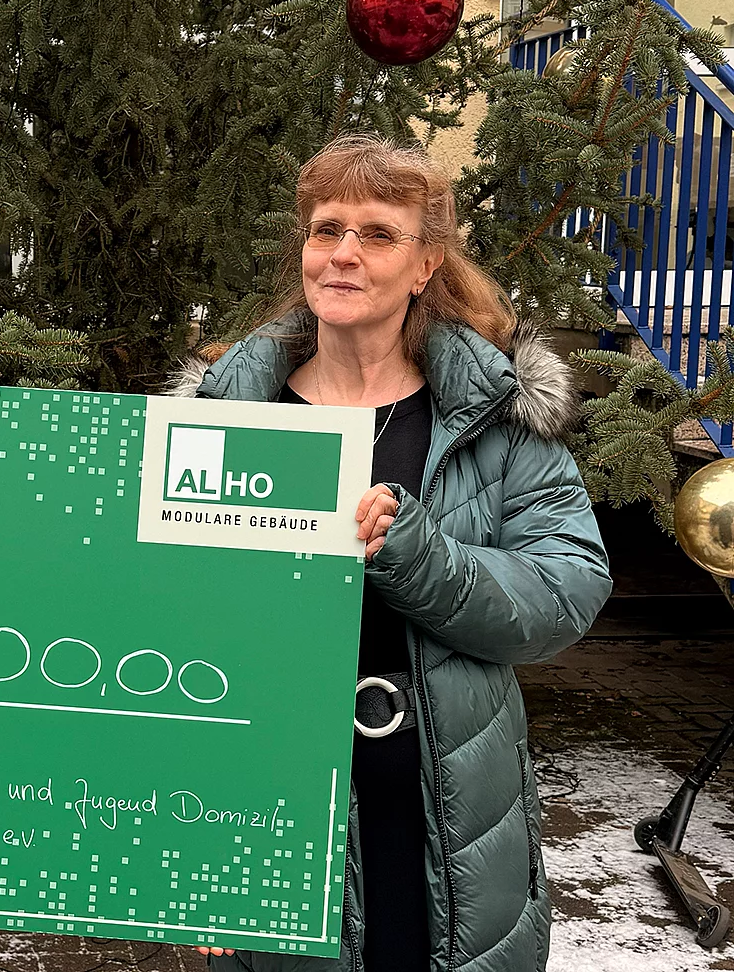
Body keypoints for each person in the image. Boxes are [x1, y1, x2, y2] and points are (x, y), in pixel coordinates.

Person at [178, 134, 611, 972]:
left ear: (425, 264)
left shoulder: (494, 414)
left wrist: (422, 558)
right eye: (326, 229)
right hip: (273, 795)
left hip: (447, 798)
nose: (343, 253)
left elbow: (566, 589)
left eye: (378, 234)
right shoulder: (227, 414)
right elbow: (156, 615)